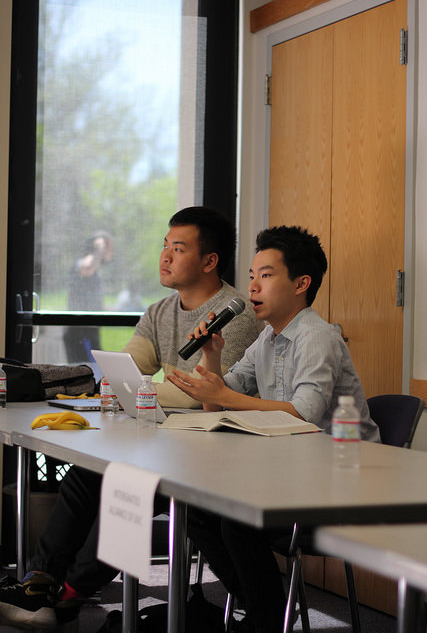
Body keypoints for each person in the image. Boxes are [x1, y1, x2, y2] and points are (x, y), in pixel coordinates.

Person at [0, 207, 261, 631]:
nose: (165, 257)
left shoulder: (235, 316)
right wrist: (127, 388)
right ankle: (41, 580)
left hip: (217, 455)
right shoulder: (160, 311)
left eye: (179, 249)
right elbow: (123, 368)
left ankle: (67, 595)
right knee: (87, 473)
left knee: (129, 489)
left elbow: (203, 393)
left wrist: (135, 392)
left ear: (210, 261)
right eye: (165, 246)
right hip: (169, 443)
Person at [168, 225, 381, 633]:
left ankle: (266, 616)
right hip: (289, 475)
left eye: (265, 275)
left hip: (341, 483)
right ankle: (268, 609)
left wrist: (226, 396)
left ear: (301, 284)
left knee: (237, 519)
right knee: (198, 509)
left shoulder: (318, 337)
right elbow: (217, 400)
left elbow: (303, 415)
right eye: (251, 275)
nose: (253, 286)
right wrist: (211, 356)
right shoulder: (267, 339)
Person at [63, 231, 114, 363]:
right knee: (87, 373)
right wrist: (99, 248)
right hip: (80, 333)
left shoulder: (96, 272)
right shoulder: (82, 264)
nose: (110, 252)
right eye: (108, 247)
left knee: (95, 372)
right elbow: (86, 268)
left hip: (89, 330)